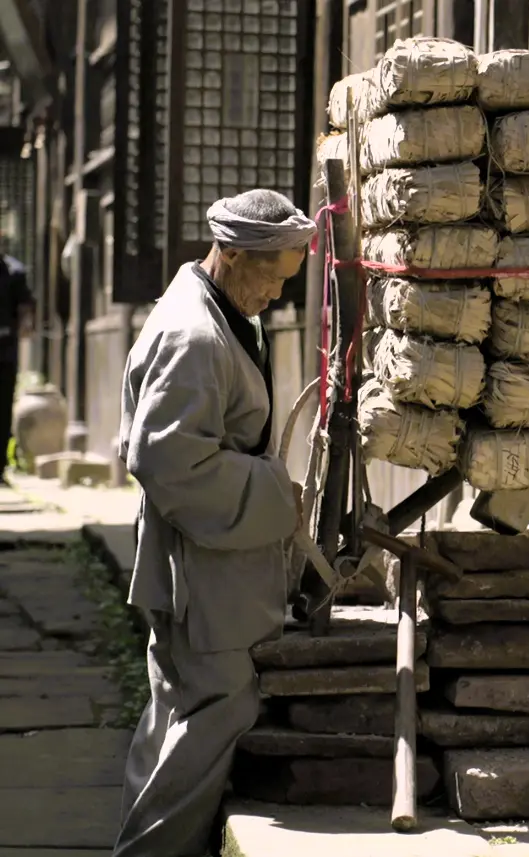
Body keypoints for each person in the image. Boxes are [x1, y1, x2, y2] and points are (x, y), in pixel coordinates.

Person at [114, 189, 317, 857]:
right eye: (272, 276)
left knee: (176, 719)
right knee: (210, 718)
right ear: (230, 253)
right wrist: (275, 491)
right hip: (200, 572)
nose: (277, 294)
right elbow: (169, 461)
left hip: (205, 564)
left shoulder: (218, 311)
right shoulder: (194, 334)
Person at [0, 253, 34, 486]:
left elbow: (25, 309)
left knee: (2, 410)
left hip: (4, 352)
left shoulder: (13, 271)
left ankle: (0, 467)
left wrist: (25, 324)